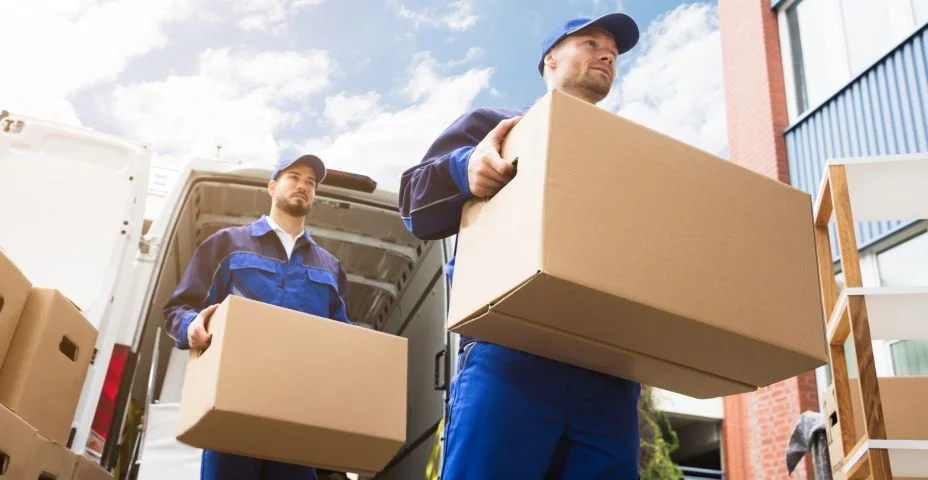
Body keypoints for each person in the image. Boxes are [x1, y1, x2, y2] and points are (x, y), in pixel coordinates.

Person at [399, 12, 643, 479]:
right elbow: (412, 204)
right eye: (591, 43)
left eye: (612, 50)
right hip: (511, 355)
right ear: (551, 58)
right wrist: (465, 168)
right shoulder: (497, 128)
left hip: (609, 374)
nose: (607, 54)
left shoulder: (626, 156)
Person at [163, 154, 351, 480]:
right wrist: (192, 325)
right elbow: (178, 308)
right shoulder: (227, 244)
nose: (303, 186)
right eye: (295, 177)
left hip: (297, 418)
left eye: (311, 183)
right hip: (231, 409)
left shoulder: (329, 267)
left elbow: (343, 340)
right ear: (272, 186)